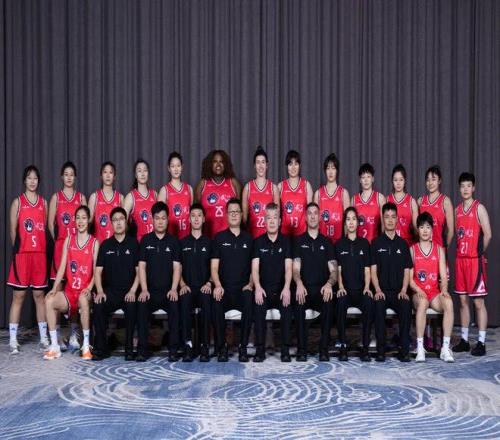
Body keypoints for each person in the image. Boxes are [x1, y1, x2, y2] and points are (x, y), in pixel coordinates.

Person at [43, 205, 98, 360]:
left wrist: (89, 288)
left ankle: (86, 346)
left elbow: (96, 271)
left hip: (84, 292)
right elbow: (62, 267)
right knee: (49, 300)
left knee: (83, 299)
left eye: (84, 218)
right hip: (69, 292)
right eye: (78, 218)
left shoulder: (94, 242)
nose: (80, 221)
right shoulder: (69, 240)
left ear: (89, 220)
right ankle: (55, 346)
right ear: (74, 220)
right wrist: (54, 288)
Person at [7, 165, 50, 354]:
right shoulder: (18, 203)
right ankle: (13, 339)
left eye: (35, 178)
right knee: (19, 296)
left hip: (39, 255)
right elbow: (13, 232)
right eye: (29, 178)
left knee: (39, 296)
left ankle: (44, 337)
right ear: (24, 180)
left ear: (38, 181)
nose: (32, 181)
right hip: (23, 255)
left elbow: (44, 230)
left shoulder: (44, 203)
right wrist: (18, 254)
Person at [48, 161, 86, 351]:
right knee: (58, 290)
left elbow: (86, 222)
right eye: (66, 174)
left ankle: (73, 333)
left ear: (75, 177)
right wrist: (61, 242)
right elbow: (50, 224)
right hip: (61, 247)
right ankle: (55, 335)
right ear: (62, 177)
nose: (69, 177)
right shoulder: (56, 197)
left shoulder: (81, 197)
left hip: (77, 248)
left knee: (74, 289)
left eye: (72, 174)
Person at [92, 207, 139, 361]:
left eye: (121, 219)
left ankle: (129, 349)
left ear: (126, 222)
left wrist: (133, 291)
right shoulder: (105, 245)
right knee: (98, 304)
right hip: (111, 292)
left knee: (132, 305)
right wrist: (100, 291)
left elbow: (139, 271)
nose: (118, 223)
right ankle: (101, 348)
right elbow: (97, 272)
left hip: (129, 291)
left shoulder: (133, 244)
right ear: (111, 223)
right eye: (115, 220)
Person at [452, 172, 492, 356]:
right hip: (460, 260)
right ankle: (465, 340)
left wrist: (479, 252)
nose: (466, 189)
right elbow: (458, 235)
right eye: (463, 186)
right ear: (459, 188)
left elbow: (488, 234)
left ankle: (482, 342)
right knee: (462, 301)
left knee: (478, 302)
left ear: (473, 188)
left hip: (474, 261)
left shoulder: (479, 208)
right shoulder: (457, 210)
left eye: (469, 185)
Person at [137, 201, 181, 362]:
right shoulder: (146, 240)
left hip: (168, 290)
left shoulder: (174, 241)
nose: (160, 221)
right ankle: (142, 350)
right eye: (157, 218)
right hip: (150, 291)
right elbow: (142, 267)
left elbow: (177, 268)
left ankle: (173, 350)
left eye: (163, 218)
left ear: (167, 220)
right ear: (152, 220)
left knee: (175, 306)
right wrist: (144, 289)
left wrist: (174, 288)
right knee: (142, 305)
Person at [293, 202, 337, 361]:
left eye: (315, 213)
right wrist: (298, 283)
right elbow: (295, 269)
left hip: (321, 289)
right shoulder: (298, 241)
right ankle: (301, 349)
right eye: (309, 213)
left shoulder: (327, 242)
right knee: (298, 300)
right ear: (305, 217)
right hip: (304, 288)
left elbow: (334, 271)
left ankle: (323, 349)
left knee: (329, 300)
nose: (312, 216)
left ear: (319, 217)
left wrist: (329, 284)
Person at [211, 198, 254, 362]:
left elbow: (254, 267)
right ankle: (222, 347)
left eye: (237, 212)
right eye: (231, 212)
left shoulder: (249, 239)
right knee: (216, 301)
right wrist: (217, 285)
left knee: (249, 298)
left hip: (242, 288)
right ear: (227, 215)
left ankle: (243, 347)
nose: (234, 215)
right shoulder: (219, 238)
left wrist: (250, 284)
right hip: (225, 288)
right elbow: (214, 268)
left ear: (242, 215)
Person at [410, 212, 455, 362]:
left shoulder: (439, 249)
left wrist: (444, 290)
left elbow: (443, 277)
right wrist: (418, 290)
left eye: (428, 227)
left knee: (448, 302)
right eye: (422, 227)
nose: (425, 230)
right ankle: (420, 348)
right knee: (423, 303)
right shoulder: (412, 250)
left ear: (432, 230)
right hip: (418, 293)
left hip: (434, 293)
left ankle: (445, 348)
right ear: (418, 229)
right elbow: (409, 280)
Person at [371, 202, 412, 362]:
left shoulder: (403, 244)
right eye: (387, 217)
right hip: (382, 291)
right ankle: (381, 350)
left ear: (397, 219)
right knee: (378, 305)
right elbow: (373, 270)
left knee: (406, 305)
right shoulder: (376, 243)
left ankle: (404, 349)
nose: (390, 220)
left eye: (393, 217)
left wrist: (404, 290)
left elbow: (407, 270)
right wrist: (377, 289)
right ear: (383, 219)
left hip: (398, 291)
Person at [252, 203, 293, 362]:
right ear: (264, 220)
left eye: (275, 218)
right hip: (263, 289)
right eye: (268, 218)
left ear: (280, 221)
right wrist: (257, 287)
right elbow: (255, 269)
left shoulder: (286, 242)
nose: (272, 221)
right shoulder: (258, 242)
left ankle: (285, 349)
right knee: (258, 307)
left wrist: (287, 288)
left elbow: (288, 268)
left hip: (281, 289)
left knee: (287, 307)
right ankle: (260, 349)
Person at [335, 207, 373, 362]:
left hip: (361, 289)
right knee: (340, 302)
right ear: (345, 223)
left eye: (353, 219)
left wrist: (367, 287)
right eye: (348, 219)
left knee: (369, 302)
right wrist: (341, 287)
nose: (351, 222)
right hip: (346, 290)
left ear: (358, 223)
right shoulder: (339, 244)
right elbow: (338, 270)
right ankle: (343, 346)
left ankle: (365, 347)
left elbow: (367, 270)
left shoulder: (364, 243)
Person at [178, 203, 213, 362]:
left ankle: (205, 346)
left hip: (204, 287)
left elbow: (214, 268)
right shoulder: (182, 243)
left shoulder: (210, 243)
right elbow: (177, 268)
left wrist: (209, 283)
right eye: (193, 216)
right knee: (184, 300)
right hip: (188, 287)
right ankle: (188, 346)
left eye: (199, 215)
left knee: (206, 301)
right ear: (189, 219)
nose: (196, 219)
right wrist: (182, 284)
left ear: (204, 219)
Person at [195, 150, 241, 239]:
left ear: (226, 164)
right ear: (210, 164)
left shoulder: (233, 183)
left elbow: (240, 213)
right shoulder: (202, 184)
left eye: (221, 162)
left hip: (229, 237)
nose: (218, 165)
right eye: (215, 162)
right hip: (208, 237)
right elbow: (196, 212)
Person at [242, 146, 280, 239]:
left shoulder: (273, 188)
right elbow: (244, 219)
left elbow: (277, 216)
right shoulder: (248, 188)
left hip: (269, 238)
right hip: (252, 238)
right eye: (258, 162)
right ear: (254, 166)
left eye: (263, 162)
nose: (260, 166)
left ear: (267, 165)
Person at [314, 153, 350, 244]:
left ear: (337, 171)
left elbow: (348, 222)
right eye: (328, 168)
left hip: (339, 242)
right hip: (322, 243)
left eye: (333, 168)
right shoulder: (318, 194)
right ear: (325, 171)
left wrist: (347, 242)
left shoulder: (343, 193)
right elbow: (314, 222)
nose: (330, 172)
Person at [158, 152, 193, 240]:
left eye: (178, 165)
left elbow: (192, 214)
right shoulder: (164, 190)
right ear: (169, 168)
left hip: (187, 237)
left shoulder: (189, 189)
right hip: (171, 239)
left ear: (182, 167)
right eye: (173, 166)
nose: (176, 169)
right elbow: (159, 217)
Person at [418, 165, 454, 249]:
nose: (430, 183)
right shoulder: (420, 201)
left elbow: (451, 231)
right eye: (428, 180)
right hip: (423, 250)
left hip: (438, 250)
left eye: (433, 179)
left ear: (439, 181)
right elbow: (417, 228)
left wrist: (443, 249)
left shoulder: (445, 201)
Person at [278, 150, 313, 237]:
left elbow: (311, 213)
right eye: (290, 164)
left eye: (296, 164)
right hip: (285, 235)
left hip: (302, 235)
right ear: (287, 166)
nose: (293, 167)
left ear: (299, 166)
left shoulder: (306, 185)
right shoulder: (280, 186)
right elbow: (276, 213)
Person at [88, 161, 124, 244]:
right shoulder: (94, 197)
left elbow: (124, 225)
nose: (108, 175)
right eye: (105, 172)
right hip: (99, 245)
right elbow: (87, 223)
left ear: (114, 176)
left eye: (110, 172)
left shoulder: (120, 198)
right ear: (101, 176)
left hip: (116, 245)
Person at [123, 159, 156, 243]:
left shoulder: (155, 194)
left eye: (145, 170)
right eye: (139, 171)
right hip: (140, 244)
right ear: (135, 175)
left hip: (156, 243)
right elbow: (122, 222)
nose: (142, 174)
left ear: (148, 173)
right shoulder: (131, 197)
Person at [352, 163, 386, 243]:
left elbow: (384, 225)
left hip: (375, 244)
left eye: (368, 177)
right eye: (363, 177)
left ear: (373, 179)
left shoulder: (380, 198)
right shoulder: (354, 200)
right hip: (358, 245)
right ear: (360, 180)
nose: (366, 180)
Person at [387, 164, 418, 246]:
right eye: (395, 180)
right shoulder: (387, 200)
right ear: (392, 181)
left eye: (401, 180)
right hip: (390, 244)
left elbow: (416, 229)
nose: (398, 183)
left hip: (407, 245)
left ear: (405, 181)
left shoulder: (411, 202)